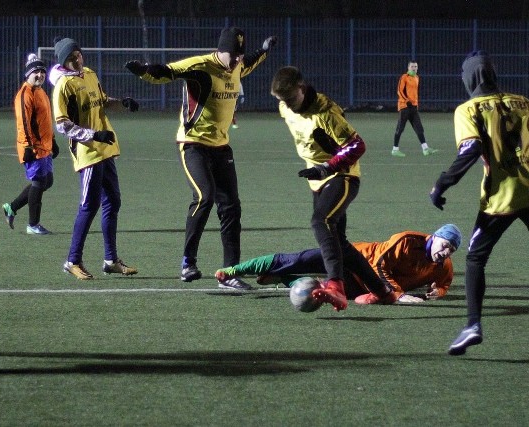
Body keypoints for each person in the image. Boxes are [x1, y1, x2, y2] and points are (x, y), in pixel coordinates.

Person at [125, 27, 277, 290]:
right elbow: (167, 72)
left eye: (240, 55)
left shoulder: (238, 65)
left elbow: (250, 62)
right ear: (221, 51)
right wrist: (144, 71)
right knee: (204, 197)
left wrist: (263, 50)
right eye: (234, 55)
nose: (239, 60)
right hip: (193, 145)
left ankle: (231, 272)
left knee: (231, 207)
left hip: (221, 147)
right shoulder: (201, 66)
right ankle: (188, 263)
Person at [270, 65, 397, 311]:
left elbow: (357, 146)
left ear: (302, 88)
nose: (286, 104)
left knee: (321, 221)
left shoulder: (326, 113)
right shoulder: (285, 106)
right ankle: (383, 292)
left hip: (343, 176)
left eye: (290, 98)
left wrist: (328, 167)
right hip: (317, 179)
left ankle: (335, 285)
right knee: (340, 243)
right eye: (281, 100)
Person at [430, 50, 529, 356]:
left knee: (475, 259)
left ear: (469, 78)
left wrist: (443, 182)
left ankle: (473, 325)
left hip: (502, 197)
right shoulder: (523, 101)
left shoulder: (468, 109)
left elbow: (471, 149)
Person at [49, 37, 139, 280]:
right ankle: (72, 260)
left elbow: (103, 102)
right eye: (70, 58)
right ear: (63, 63)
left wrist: (123, 103)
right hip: (87, 152)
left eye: (77, 54)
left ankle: (110, 260)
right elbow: (63, 125)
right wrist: (93, 134)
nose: (76, 60)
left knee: (113, 201)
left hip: (105, 149)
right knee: (89, 206)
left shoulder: (89, 74)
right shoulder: (63, 86)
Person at [215, 224, 461, 304]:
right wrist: (397, 294)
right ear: (434, 237)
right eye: (445, 244)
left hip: (362, 287)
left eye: (451, 249)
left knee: (318, 293)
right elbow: (379, 268)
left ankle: (284, 279)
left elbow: (444, 284)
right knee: (297, 259)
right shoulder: (406, 241)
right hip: (354, 258)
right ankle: (233, 271)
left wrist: (437, 292)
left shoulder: (444, 266)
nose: (446, 251)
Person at [2, 54, 58, 235]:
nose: (40, 74)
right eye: (36, 71)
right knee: (39, 182)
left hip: (45, 146)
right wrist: (28, 147)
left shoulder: (41, 92)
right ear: (28, 74)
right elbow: (24, 124)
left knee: (46, 181)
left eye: (42, 71)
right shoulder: (24, 95)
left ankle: (11, 207)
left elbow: (46, 120)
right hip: (33, 148)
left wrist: (53, 141)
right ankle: (33, 225)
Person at [391, 60, 438, 157]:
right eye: (412, 66)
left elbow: (414, 93)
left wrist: (415, 104)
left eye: (416, 66)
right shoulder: (404, 77)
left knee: (419, 128)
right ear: (408, 67)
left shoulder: (417, 77)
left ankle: (425, 149)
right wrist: (407, 101)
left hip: (413, 108)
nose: (414, 68)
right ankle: (395, 150)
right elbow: (400, 91)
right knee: (400, 128)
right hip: (404, 106)